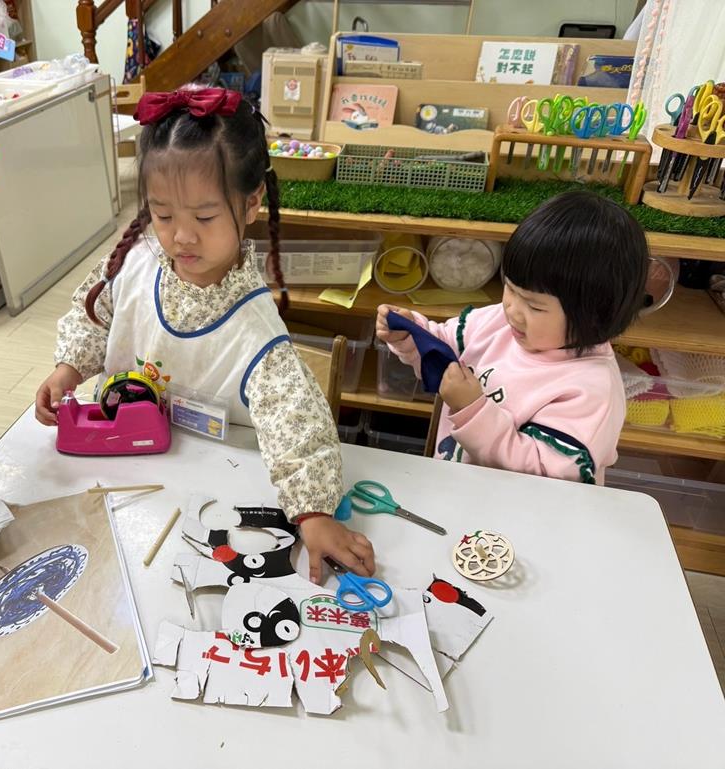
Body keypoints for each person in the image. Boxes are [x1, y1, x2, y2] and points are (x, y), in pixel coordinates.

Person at [35, 87, 375, 583]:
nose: (182, 236)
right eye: (163, 214)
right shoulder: (135, 262)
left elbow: (295, 421)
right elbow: (97, 313)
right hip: (123, 480)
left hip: (214, 502)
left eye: (205, 217)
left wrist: (314, 514)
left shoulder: (254, 328)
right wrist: (68, 368)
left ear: (252, 203)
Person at [377, 190, 648, 485]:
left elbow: (541, 478)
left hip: (518, 508)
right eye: (510, 288)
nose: (512, 310)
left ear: (594, 315)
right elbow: (443, 350)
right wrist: (411, 333)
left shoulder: (590, 389)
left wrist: (472, 411)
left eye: (534, 306)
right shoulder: (498, 323)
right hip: (457, 489)